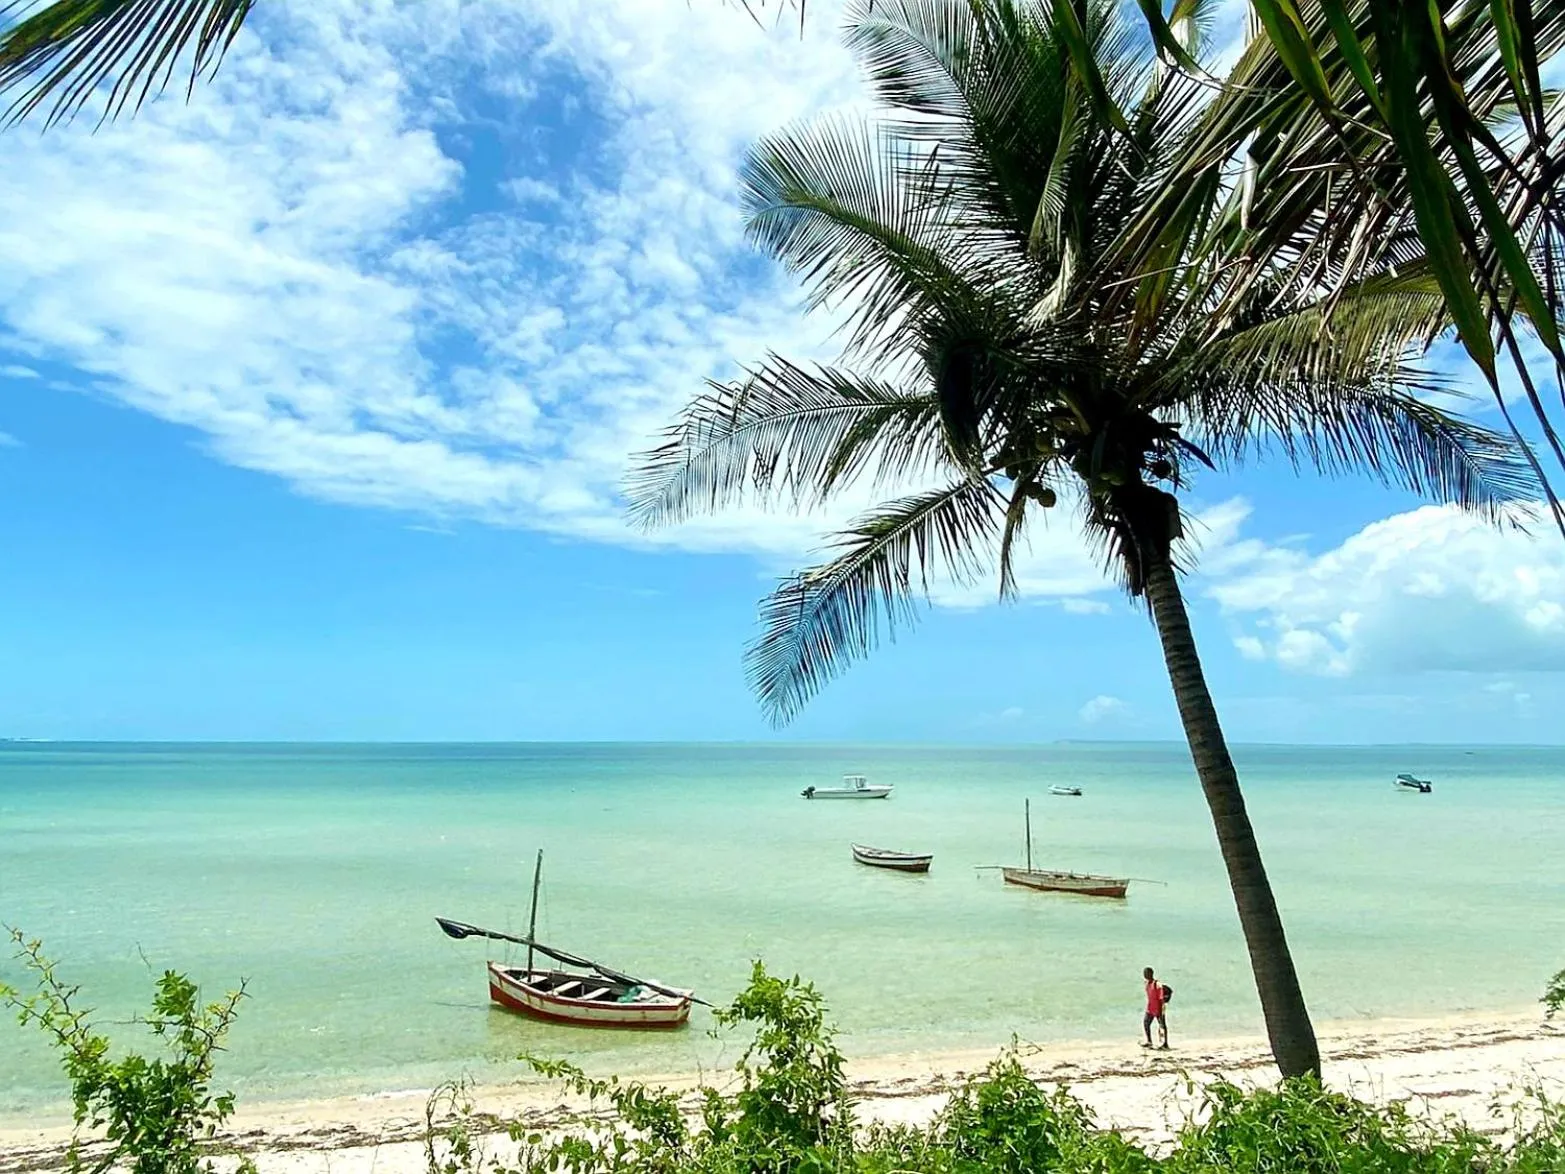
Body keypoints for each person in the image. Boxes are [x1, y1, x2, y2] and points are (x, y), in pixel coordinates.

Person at [1141, 966, 1169, 1050]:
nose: (1145, 975)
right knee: (1146, 1023)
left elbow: (1161, 998)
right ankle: (1149, 1041)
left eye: (1146, 973)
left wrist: (1161, 1009)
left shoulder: (1157, 984)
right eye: (1144, 974)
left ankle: (1165, 1043)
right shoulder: (1147, 984)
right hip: (1150, 1008)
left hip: (1158, 1008)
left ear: (1151, 974)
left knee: (1162, 1025)